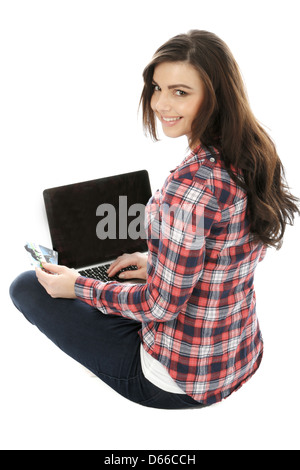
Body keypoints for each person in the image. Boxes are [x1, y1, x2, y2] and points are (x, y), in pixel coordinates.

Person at [9, 30, 299, 409]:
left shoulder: (190, 185)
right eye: (156, 87)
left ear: (216, 95)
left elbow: (160, 307)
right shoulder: (253, 152)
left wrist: (78, 287)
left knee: (27, 285)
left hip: (174, 380)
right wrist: (156, 263)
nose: (161, 103)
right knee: (115, 282)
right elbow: (226, 255)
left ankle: (102, 350)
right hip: (238, 356)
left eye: (180, 92)